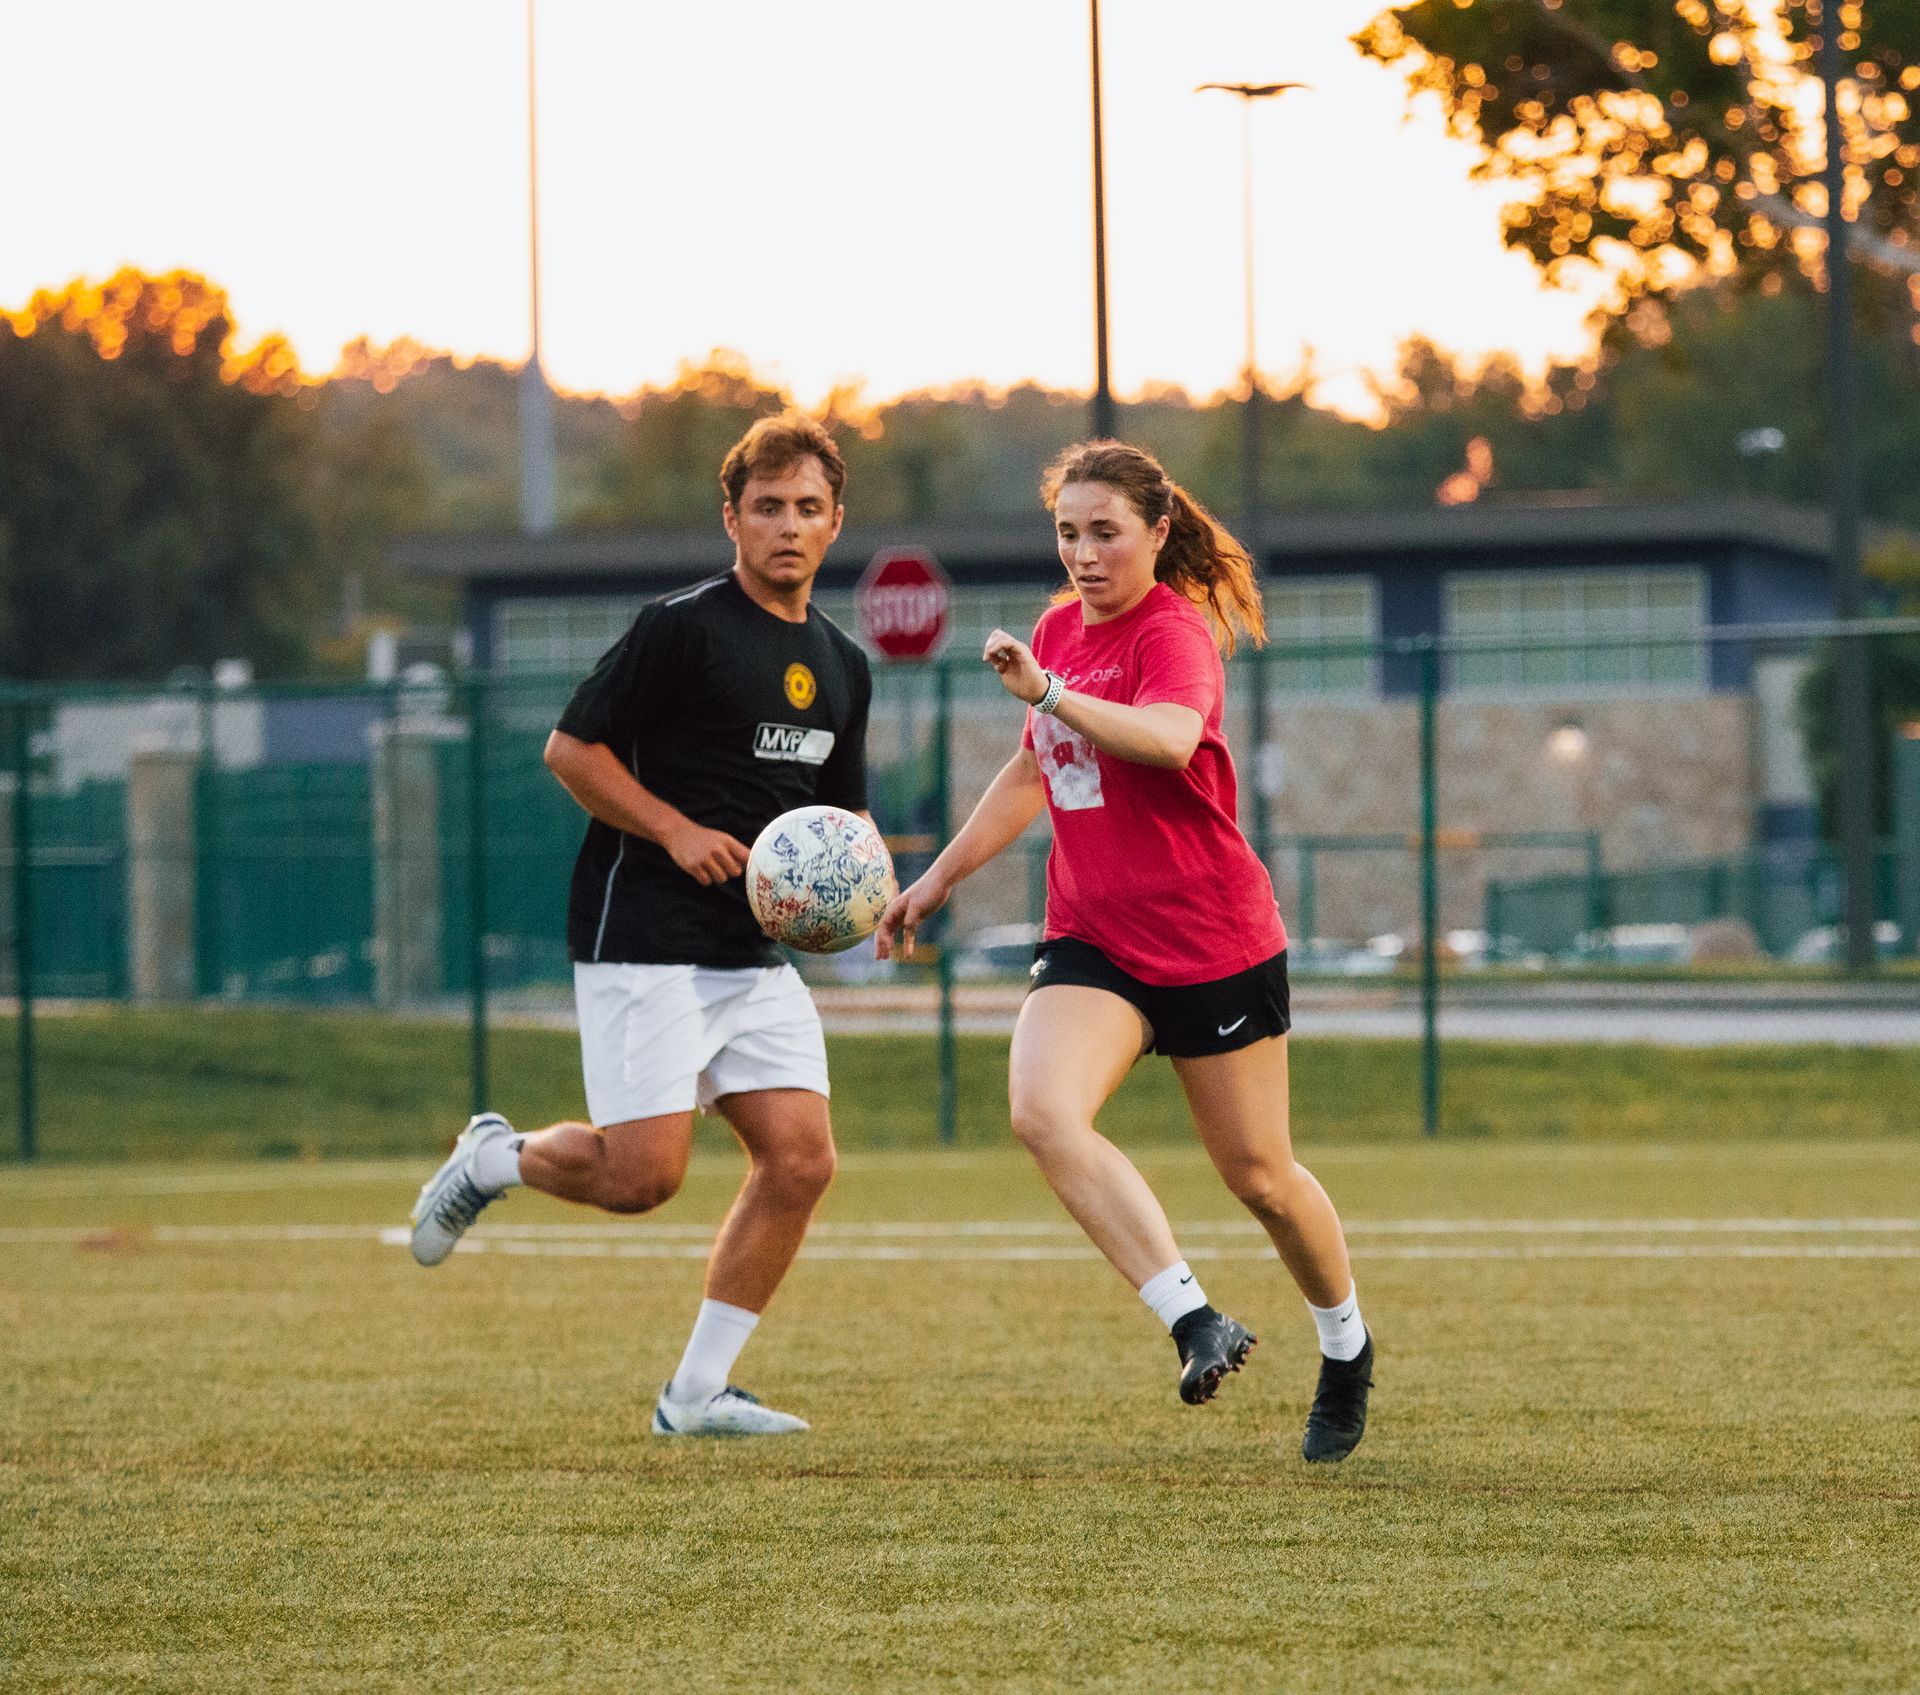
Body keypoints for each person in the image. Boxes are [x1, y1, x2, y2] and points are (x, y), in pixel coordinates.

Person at [875, 440, 1373, 1462]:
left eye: (1106, 532)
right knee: (1042, 1112)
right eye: (1069, 533)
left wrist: (1050, 692)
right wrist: (933, 881)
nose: (1085, 554)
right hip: (1096, 939)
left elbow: (1167, 739)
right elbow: (1031, 777)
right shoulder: (1060, 629)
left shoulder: (1173, 630)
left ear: (1156, 532)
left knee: (1262, 1179)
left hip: (1211, 938)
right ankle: (1195, 1321)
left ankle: (1347, 1346)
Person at [408, 411, 873, 1438]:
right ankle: (494, 1159)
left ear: (836, 521)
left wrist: (869, 904)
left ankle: (695, 1396)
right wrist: (674, 830)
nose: (786, 527)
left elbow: (844, 824)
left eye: (807, 509)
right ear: (731, 518)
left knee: (800, 1159)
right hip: (647, 931)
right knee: (641, 1179)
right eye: (766, 509)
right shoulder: (682, 627)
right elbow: (571, 750)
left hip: (751, 955)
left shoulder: (844, 665)